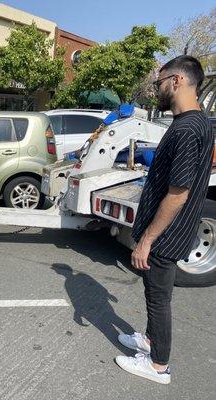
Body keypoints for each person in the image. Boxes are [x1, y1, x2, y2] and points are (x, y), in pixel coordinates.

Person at [115, 56, 213, 384]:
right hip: (171, 232)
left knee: (159, 298)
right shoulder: (195, 122)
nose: (157, 88)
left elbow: (178, 193)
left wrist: (146, 239)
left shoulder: (187, 129)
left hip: (166, 236)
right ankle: (150, 338)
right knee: (155, 293)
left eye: (159, 82)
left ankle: (158, 366)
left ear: (177, 81)